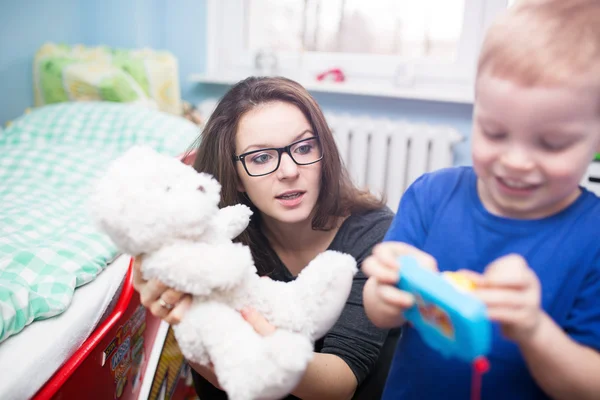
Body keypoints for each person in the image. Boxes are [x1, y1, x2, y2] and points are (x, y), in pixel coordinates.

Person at [362, 0, 600, 399]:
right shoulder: (430, 195)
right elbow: (379, 312)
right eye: (494, 132)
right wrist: (387, 288)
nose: (516, 161)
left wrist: (533, 330)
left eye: (552, 143)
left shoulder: (593, 238)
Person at [132, 76, 398, 399]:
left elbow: (340, 382)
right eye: (261, 158)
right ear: (238, 177)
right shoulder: (216, 240)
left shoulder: (375, 233)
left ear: (323, 151)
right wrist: (183, 312)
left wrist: (268, 352)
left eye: (303, 147)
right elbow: (219, 374)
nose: (288, 171)